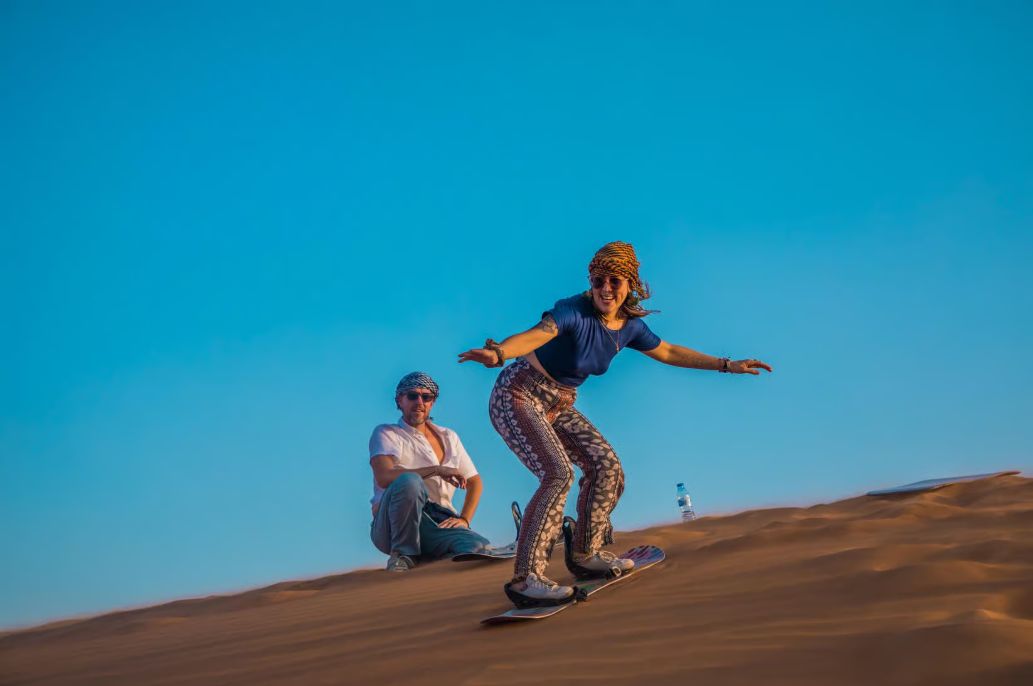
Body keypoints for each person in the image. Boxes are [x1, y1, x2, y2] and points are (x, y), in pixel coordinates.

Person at [458, 241, 772, 606]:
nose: (605, 288)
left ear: (630, 284)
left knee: (607, 467)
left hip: (559, 402)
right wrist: (498, 352)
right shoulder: (572, 311)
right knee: (557, 474)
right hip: (518, 393)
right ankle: (527, 579)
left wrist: (727, 365)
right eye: (598, 280)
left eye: (615, 281)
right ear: (590, 282)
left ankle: (585, 553)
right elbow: (537, 334)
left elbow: (668, 351)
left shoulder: (630, 327)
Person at [368, 371, 491, 571]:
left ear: (432, 402)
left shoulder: (449, 437)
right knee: (410, 481)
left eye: (426, 397)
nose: (419, 402)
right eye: (412, 396)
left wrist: (464, 519)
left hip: (437, 522)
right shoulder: (387, 433)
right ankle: (403, 555)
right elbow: (383, 477)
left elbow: (474, 481)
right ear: (399, 400)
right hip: (391, 525)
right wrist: (436, 470)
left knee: (478, 548)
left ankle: (428, 563)